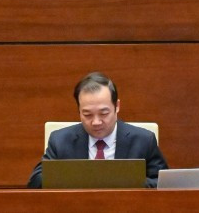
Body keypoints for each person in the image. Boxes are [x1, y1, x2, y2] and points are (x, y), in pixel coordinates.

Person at [28, 72, 168, 188]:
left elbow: (163, 184)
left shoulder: (143, 140)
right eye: (87, 115)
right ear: (79, 110)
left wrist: (122, 181)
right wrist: (85, 177)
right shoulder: (60, 140)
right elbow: (36, 182)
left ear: (117, 106)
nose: (96, 122)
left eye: (104, 113)